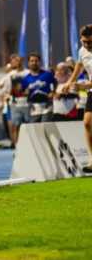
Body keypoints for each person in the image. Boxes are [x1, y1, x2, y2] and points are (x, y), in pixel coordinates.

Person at [63, 24, 92, 173]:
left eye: (90, 42)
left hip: (89, 87)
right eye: (84, 42)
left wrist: (82, 86)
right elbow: (79, 66)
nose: (86, 45)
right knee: (87, 123)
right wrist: (69, 82)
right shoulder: (82, 51)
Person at [22, 53, 56, 123]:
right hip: (34, 107)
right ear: (28, 63)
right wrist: (25, 93)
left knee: (45, 127)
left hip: (47, 106)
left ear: (40, 62)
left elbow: (56, 84)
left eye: (36, 61)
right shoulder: (26, 79)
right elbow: (24, 92)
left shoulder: (47, 75)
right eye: (32, 61)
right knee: (34, 129)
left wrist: (53, 92)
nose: (34, 63)